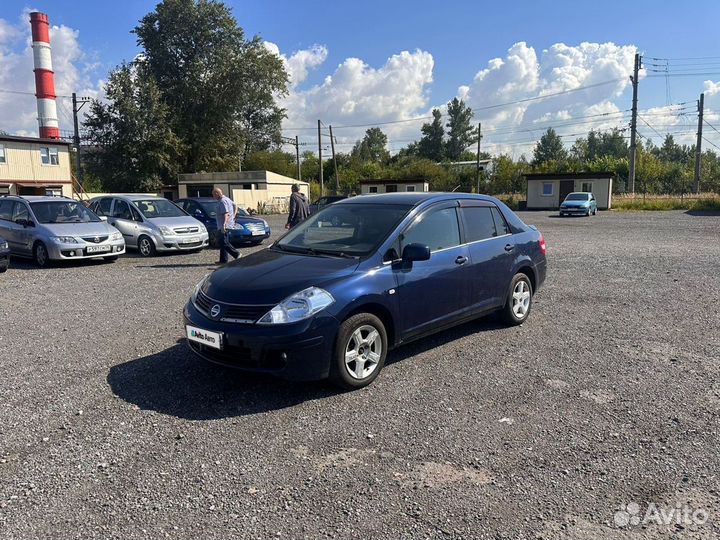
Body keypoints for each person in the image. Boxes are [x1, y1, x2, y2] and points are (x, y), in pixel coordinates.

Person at [212, 187, 240, 264]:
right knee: (223, 242)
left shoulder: (222, 201)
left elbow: (226, 214)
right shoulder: (227, 199)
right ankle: (223, 260)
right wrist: (234, 215)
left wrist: (224, 224)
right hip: (226, 224)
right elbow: (235, 205)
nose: (213, 197)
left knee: (223, 242)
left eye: (213, 195)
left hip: (224, 225)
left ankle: (237, 254)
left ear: (217, 193)